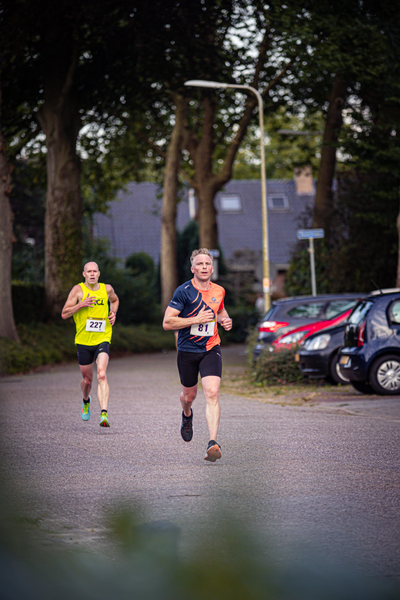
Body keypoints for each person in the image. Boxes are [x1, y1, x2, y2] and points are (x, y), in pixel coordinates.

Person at [163, 248, 232, 462]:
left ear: (212, 268)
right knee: (189, 396)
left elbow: (219, 310)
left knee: (212, 393)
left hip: (211, 347)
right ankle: (186, 415)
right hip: (187, 350)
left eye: (207, 264)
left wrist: (224, 319)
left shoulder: (219, 290)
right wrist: (195, 320)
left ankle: (213, 443)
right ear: (193, 268)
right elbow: (167, 322)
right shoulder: (183, 292)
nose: (204, 267)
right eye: (199, 264)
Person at [61, 261, 119, 427]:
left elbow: (115, 301)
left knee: (101, 374)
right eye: (89, 271)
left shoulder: (106, 289)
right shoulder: (78, 290)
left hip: (103, 337)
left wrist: (113, 313)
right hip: (83, 341)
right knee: (87, 380)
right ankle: (86, 400)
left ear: (99, 273)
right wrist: (81, 305)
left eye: (95, 271)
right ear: (84, 274)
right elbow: (64, 314)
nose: (92, 274)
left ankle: (104, 414)